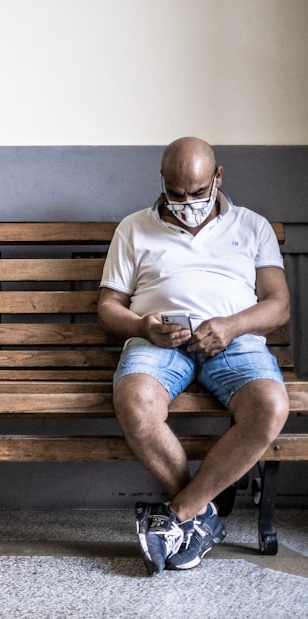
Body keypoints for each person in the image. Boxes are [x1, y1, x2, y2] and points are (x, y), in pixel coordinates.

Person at [98, 136, 290, 575]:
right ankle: (205, 516)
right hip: (158, 341)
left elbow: (279, 306)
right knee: (134, 400)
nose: (187, 203)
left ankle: (184, 511)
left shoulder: (251, 226)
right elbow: (108, 308)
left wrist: (231, 325)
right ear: (162, 181)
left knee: (271, 406)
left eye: (198, 193)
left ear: (218, 177)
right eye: (177, 193)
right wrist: (143, 325)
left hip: (234, 340)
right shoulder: (133, 228)